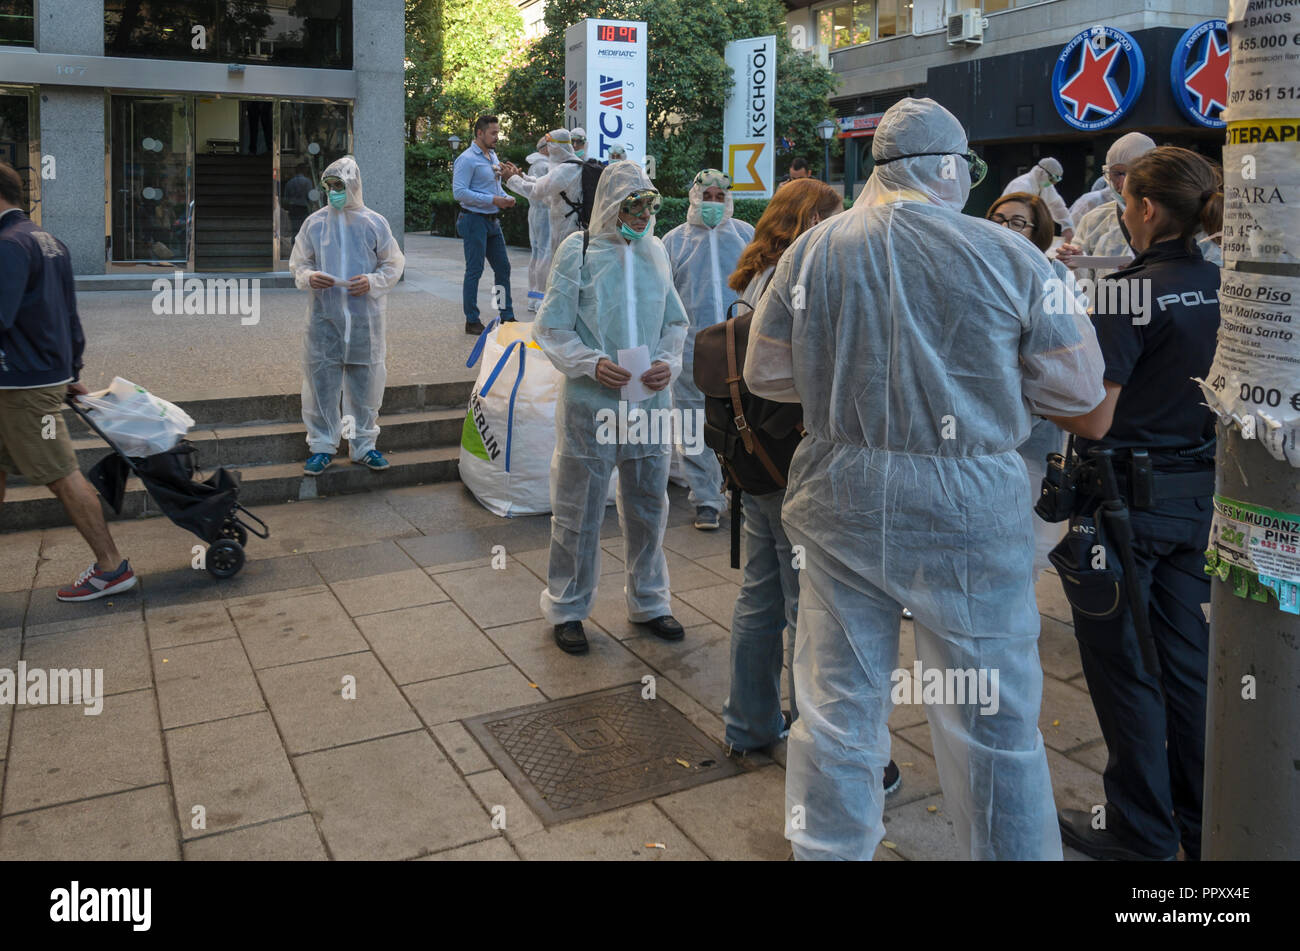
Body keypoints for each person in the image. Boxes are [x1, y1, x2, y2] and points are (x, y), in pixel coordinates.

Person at [745, 98, 1106, 861]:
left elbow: (765, 372)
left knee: (836, 703)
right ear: (951, 166)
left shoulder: (814, 250)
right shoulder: (1012, 256)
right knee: (994, 717)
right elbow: (1077, 393)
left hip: (841, 498)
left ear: (880, 165)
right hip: (968, 511)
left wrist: (846, 389)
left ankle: (830, 849)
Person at [1047, 147, 1222, 862]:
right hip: (1197, 501)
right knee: (1187, 665)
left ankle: (1140, 830)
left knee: (1127, 668)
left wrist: (1041, 392)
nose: (1122, 212)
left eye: (1127, 203)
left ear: (1146, 209)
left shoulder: (1126, 291)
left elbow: (1093, 418)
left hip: (1125, 509)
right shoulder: (1225, 285)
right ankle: (1199, 818)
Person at [721, 177, 905, 792]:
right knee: (807, 603)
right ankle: (813, 737)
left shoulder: (753, 273)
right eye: (833, 216)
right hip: (794, 457)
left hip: (752, 456)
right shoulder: (801, 275)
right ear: (810, 221)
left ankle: (748, 723)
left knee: (761, 592)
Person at [534, 161, 689, 655]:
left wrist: (668, 362)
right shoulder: (577, 252)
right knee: (578, 509)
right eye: (633, 206)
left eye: (649, 206)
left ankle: (649, 601)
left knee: (649, 507)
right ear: (611, 205)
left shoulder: (657, 253)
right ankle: (568, 607)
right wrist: (589, 362)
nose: (643, 216)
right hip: (591, 404)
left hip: (648, 402)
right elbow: (551, 328)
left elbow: (674, 322)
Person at [0, 162, 137, 601]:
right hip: (31, 379)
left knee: (61, 474)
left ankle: (112, 567)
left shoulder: (7, 245)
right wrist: (69, 370)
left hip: (21, 385)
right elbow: (68, 314)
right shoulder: (47, 240)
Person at [290, 156, 405, 476]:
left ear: (353, 186)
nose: (334, 192)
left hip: (364, 317)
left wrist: (372, 281)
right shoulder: (314, 223)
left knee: (364, 384)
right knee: (321, 384)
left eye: (339, 186)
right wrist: (309, 276)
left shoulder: (374, 223)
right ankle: (322, 446)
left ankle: (362, 445)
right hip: (324, 319)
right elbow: (299, 263)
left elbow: (393, 264)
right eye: (329, 187)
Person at [986, 191, 1078, 583]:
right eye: (999, 218)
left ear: (1038, 231)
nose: (1005, 227)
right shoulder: (974, 267)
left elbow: (1062, 349)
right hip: (980, 416)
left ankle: (1020, 590)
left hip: (1034, 419)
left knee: (1028, 518)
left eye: (1017, 222)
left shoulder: (1056, 275)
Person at [661, 169, 755, 531]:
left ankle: (741, 492)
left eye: (720, 197)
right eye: (707, 195)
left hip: (739, 346)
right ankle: (706, 499)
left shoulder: (746, 235)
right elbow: (664, 298)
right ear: (693, 196)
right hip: (692, 351)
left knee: (742, 421)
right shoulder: (674, 242)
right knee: (692, 424)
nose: (713, 203)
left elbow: (761, 287)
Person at [1058, 132, 1157, 284]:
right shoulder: (1095, 220)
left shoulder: (1174, 217)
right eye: (1116, 174)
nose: (1123, 182)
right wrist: (1077, 263)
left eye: (1132, 173)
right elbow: (1083, 286)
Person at [452, 115, 516, 336]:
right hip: (473, 220)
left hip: (492, 221)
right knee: (475, 270)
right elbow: (459, 192)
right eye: (493, 133)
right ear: (480, 133)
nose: (497, 137)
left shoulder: (492, 156)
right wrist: (493, 201)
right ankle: (472, 320)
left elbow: (495, 189)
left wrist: (506, 197)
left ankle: (506, 315)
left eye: (497, 132)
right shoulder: (467, 159)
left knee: (503, 268)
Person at [503, 129, 583, 289]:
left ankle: (542, 299)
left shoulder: (565, 169)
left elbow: (537, 190)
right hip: (563, 224)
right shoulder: (569, 166)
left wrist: (511, 179)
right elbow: (543, 182)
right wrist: (521, 177)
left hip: (567, 228)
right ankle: (541, 298)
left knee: (558, 269)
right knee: (548, 259)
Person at [502, 135, 553, 313]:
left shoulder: (536, 165)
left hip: (536, 212)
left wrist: (519, 177)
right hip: (545, 212)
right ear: (546, 148)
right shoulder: (545, 165)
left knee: (538, 253)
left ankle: (534, 296)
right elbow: (542, 189)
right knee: (545, 254)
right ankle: (540, 296)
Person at [1001, 157, 1074, 242]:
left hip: (1027, 233)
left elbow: (1057, 206)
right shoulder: (1022, 185)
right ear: (1041, 172)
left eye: (1056, 180)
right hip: (1011, 231)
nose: (1053, 183)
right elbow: (1017, 214)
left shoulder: (1046, 187)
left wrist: (1067, 226)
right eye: (1052, 178)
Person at [283, 162, 314, 245]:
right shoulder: (307, 181)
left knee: (294, 230)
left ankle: (294, 247)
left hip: (293, 208)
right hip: (303, 208)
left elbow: (286, 198)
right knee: (304, 230)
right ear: (303, 170)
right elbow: (310, 196)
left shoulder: (290, 182)